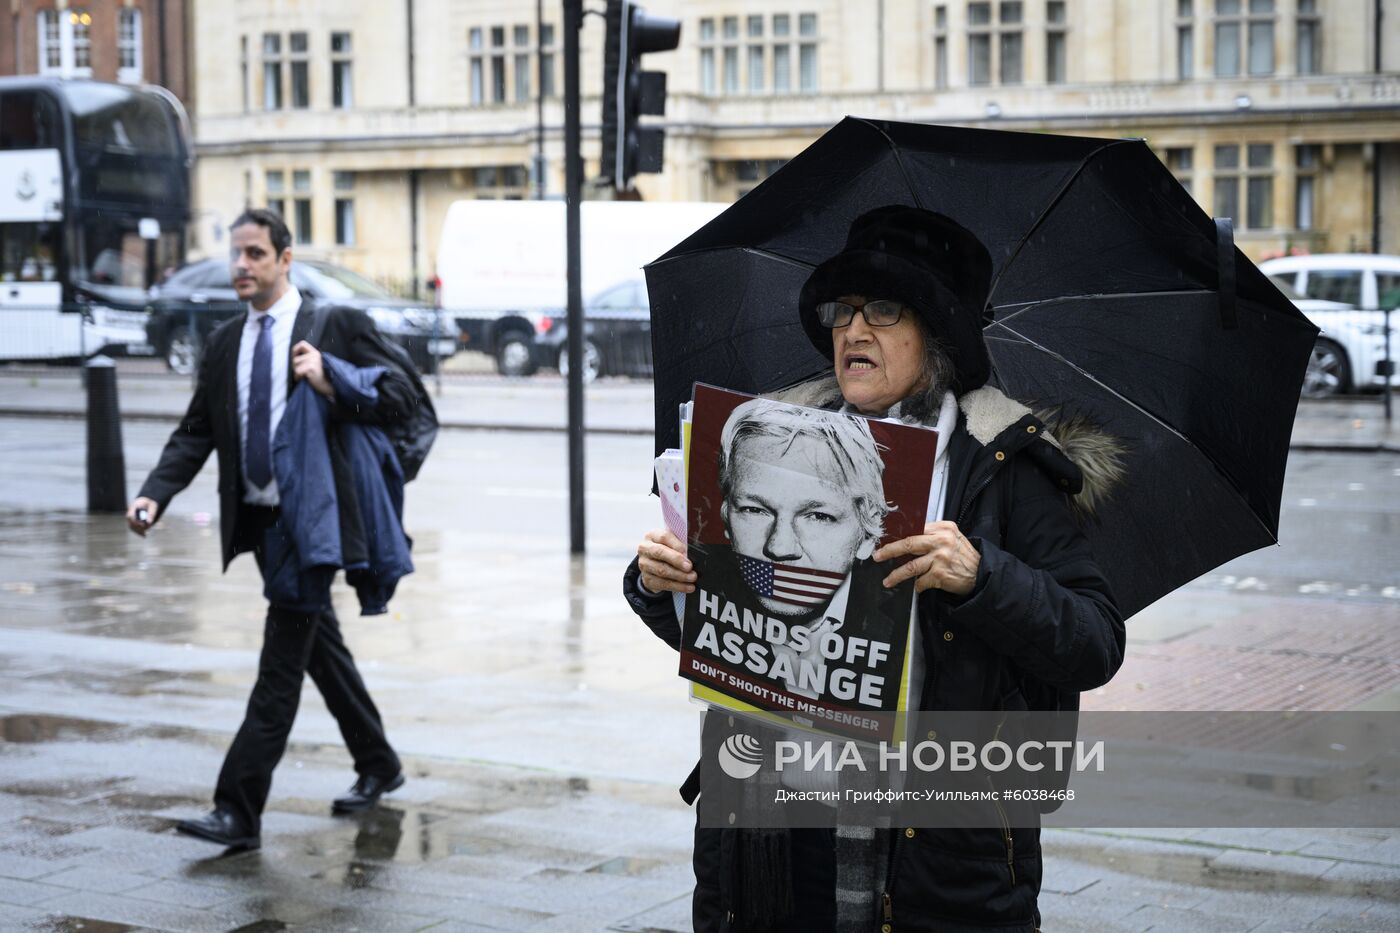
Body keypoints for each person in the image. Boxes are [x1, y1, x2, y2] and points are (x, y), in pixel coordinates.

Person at [624, 205, 1126, 932]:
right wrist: (657, 580)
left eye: (884, 310)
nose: (852, 331)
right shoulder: (769, 435)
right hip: (769, 838)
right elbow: (727, 632)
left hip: (936, 853)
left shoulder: (1005, 465)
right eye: (842, 311)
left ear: (938, 333)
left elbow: (1094, 640)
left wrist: (981, 576)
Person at [127, 209, 410, 850]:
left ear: (286, 259)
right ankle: (380, 763)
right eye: (236, 255)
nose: (241, 266)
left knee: (280, 663)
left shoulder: (331, 325)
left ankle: (238, 807)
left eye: (255, 253)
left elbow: (403, 396)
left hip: (311, 521)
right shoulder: (227, 340)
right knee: (317, 646)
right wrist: (154, 493)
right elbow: (199, 427)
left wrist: (332, 378)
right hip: (258, 519)